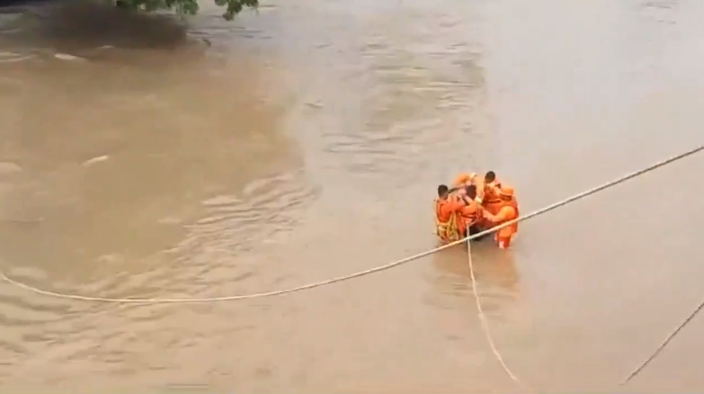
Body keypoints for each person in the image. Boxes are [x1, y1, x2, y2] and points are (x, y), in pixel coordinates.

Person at [482, 185, 519, 249]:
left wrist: (485, 212)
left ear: (505, 197)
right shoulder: (512, 201)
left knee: (502, 250)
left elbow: (494, 219)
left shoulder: (507, 209)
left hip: (505, 233)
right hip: (506, 230)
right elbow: (498, 192)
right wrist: (492, 187)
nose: (500, 196)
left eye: (502, 195)